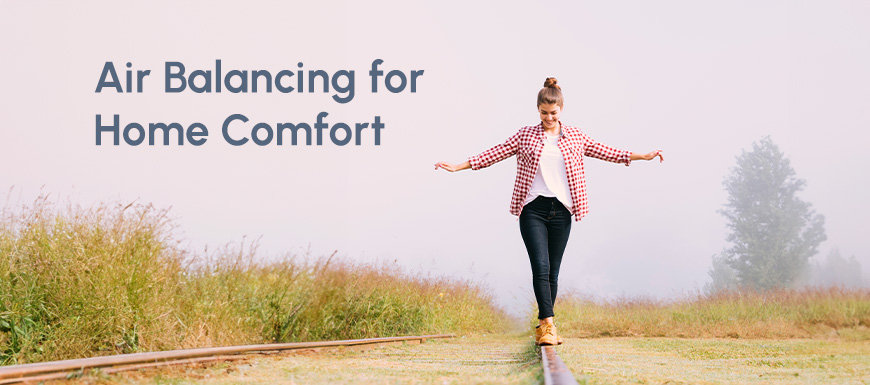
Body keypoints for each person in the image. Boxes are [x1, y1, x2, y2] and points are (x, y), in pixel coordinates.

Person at [434, 77, 663, 346]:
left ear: (561, 110)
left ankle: (545, 324)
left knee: (553, 272)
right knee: (540, 267)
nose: (549, 118)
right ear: (538, 110)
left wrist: (643, 156)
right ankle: (548, 326)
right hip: (533, 208)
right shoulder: (525, 135)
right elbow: (495, 153)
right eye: (544, 113)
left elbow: (607, 152)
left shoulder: (576, 136)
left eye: (553, 113)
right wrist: (459, 166)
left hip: (562, 211)